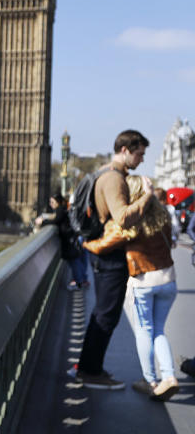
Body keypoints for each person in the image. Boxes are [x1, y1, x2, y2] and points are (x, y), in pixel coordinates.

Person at [82, 175, 179, 400]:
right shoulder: (163, 215)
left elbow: (105, 245)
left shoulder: (132, 222)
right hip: (168, 280)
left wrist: (87, 243)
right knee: (159, 330)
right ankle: (170, 376)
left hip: (143, 282)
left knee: (145, 329)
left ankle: (150, 381)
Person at [69, 129, 151, 390]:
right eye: (139, 154)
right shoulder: (114, 179)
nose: (141, 160)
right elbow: (123, 216)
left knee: (102, 313)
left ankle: (85, 366)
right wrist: (148, 195)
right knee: (107, 315)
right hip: (110, 257)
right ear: (125, 150)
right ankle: (91, 372)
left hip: (102, 255)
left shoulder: (105, 173)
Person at [35, 193, 89, 289]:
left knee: (74, 261)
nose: (51, 204)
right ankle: (82, 280)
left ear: (58, 202)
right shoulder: (63, 209)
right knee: (77, 260)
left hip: (69, 240)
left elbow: (56, 220)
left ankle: (79, 282)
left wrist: (42, 222)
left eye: (52, 202)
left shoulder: (60, 210)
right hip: (73, 238)